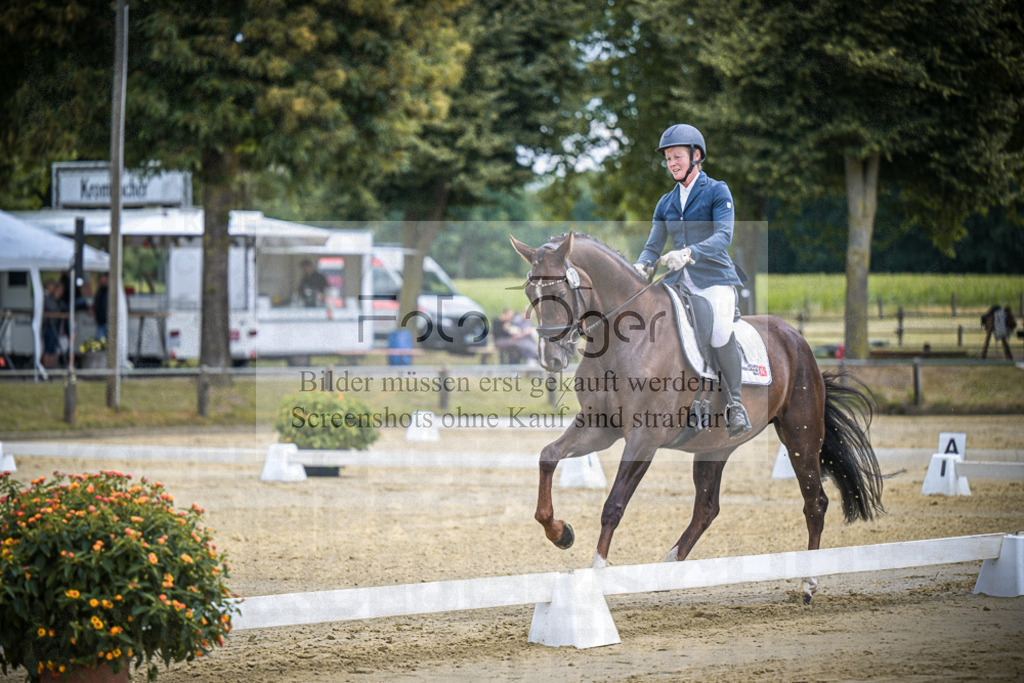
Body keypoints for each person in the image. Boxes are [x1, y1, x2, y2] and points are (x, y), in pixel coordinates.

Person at [634, 123, 751, 438]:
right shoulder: (666, 203)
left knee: (718, 332)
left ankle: (735, 404)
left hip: (714, 279)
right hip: (678, 283)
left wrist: (688, 252)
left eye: (677, 157)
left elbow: (723, 236)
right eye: (668, 158)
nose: (672, 163)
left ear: (696, 155)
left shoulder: (716, 190)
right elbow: (652, 246)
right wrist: (640, 265)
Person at [93, 272, 109, 340]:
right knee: (101, 345)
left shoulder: (112, 291)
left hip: (109, 322)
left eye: (105, 280)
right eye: (102, 280)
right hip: (100, 322)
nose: (103, 282)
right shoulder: (99, 291)